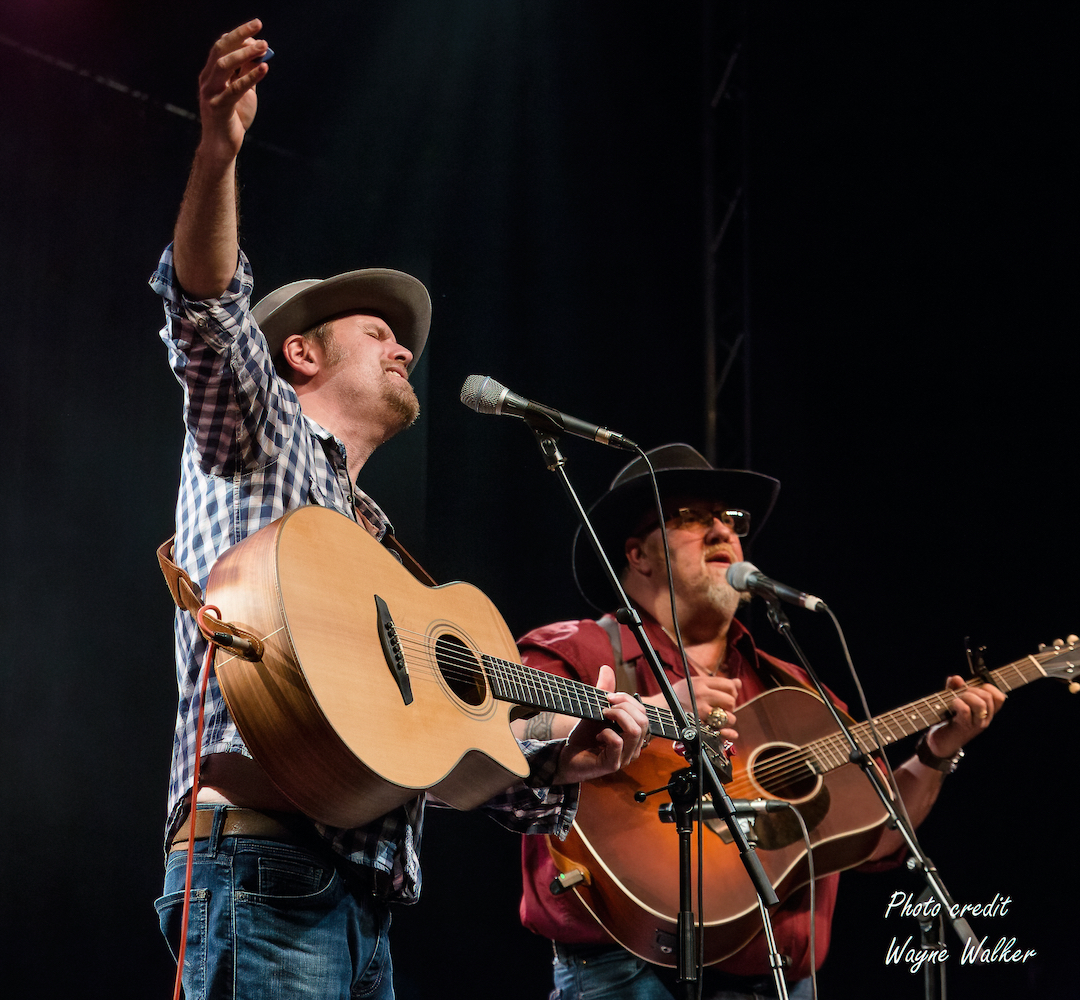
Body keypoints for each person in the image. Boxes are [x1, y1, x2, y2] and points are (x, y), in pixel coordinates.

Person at [151, 20, 649, 1000]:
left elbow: (462, 757)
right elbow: (206, 316)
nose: (402, 347)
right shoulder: (262, 439)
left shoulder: (377, 544)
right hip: (262, 872)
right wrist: (218, 152)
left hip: (364, 907)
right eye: (376, 330)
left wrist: (569, 754)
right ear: (300, 352)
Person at [513, 443, 1005, 1000]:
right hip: (625, 973)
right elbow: (515, 740)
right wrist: (653, 714)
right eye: (692, 518)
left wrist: (938, 750)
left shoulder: (794, 689)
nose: (722, 531)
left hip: (782, 981)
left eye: (730, 520)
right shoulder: (579, 650)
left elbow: (877, 834)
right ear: (638, 555)